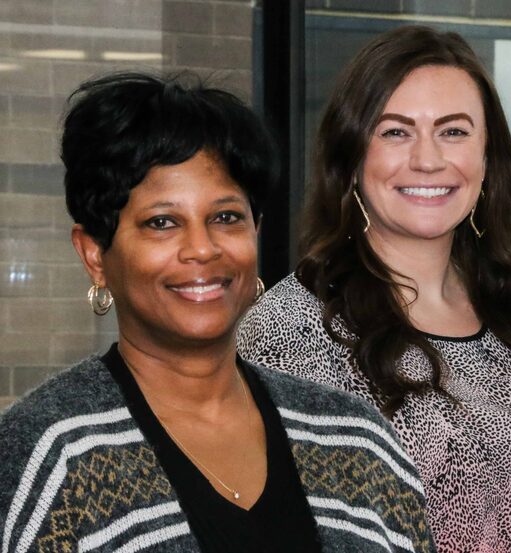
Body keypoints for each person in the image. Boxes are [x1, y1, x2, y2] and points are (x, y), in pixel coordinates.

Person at [0, 73, 434, 553]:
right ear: (95, 255)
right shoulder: (49, 452)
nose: (202, 250)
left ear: (256, 231)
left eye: (226, 218)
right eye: (162, 223)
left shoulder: (355, 439)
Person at [238, 25, 511, 552]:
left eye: (454, 131)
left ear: (487, 160)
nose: (428, 159)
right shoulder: (292, 330)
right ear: (351, 158)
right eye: (395, 131)